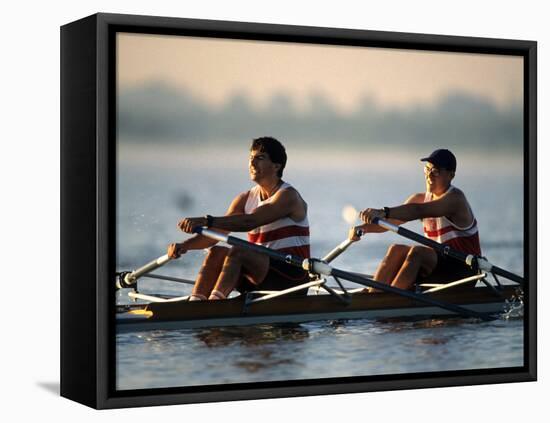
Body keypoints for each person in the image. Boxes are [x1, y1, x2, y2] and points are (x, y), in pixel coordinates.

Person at [167, 137, 310, 301]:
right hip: (260, 275)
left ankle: (215, 305)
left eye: (260, 158)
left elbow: (250, 221)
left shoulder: (288, 196)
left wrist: (207, 220)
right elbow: (216, 233)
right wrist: (183, 246)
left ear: (277, 166)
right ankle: (195, 302)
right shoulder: (244, 198)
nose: (252, 163)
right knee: (216, 252)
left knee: (238, 250)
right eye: (251, 158)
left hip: (291, 279)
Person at [349, 149, 481, 291]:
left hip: (464, 270)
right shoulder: (419, 198)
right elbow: (391, 222)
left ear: (451, 175)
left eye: (435, 171)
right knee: (396, 249)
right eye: (427, 169)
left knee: (417, 252)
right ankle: (374, 295)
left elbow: (418, 211)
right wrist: (362, 229)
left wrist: (383, 212)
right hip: (439, 266)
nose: (429, 175)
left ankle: (392, 300)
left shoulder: (455, 199)